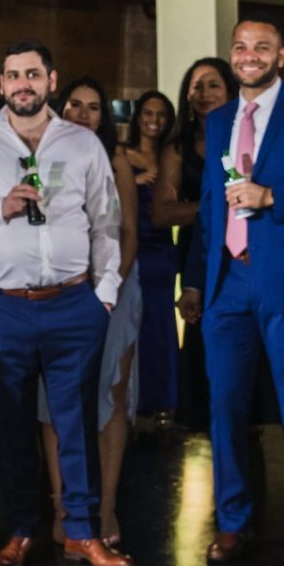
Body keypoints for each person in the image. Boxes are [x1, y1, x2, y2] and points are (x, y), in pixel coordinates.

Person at [0, 42, 128, 566]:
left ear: (51, 81)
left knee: (75, 424)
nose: (23, 84)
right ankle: (20, 531)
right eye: (13, 75)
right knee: (12, 425)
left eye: (32, 74)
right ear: (2, 84)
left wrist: (104, 296)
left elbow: (106, 221)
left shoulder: (81, 143)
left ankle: (82, 534)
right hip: (0, 308)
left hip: (74, 304)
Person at [183, 16, 284, 566]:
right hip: (226, 284)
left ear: (280, 56)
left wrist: (271, 196)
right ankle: (233, 522)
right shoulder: (218, 121)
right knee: (225, 409)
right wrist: (195, 279)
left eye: (262, 47)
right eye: (241, 46)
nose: (249, 55)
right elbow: (211, 208)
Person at [40, 78, 140, 553]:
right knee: (53, 401)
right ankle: (66, 510)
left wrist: (106, 291)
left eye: (94, 107)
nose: (83, 113)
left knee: (110, 397)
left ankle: (106, 508)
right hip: (52, 290)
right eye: (74, 105)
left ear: (104, 117)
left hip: (111, 288)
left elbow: (129, 232)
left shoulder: (115, 161)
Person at [156, 55, 236, 432]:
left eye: (213, 84)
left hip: (244, 251)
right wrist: (215, 207)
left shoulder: (245, 136)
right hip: (197, 254)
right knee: (205, 345)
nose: (204, 93)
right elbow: (162, 212)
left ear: (230, 91)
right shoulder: (179, 147)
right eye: (196, 86)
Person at [125, 89, 181, 417]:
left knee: (161, 328)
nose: (154, 120)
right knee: (131, 329)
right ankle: (133, 406)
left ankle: (164, 405)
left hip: (161, 251)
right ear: (138, 117)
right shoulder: (122, 154)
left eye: (161, 115)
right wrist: (134, 181)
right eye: (148, 113)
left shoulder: (172, 157)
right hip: (131, 249)